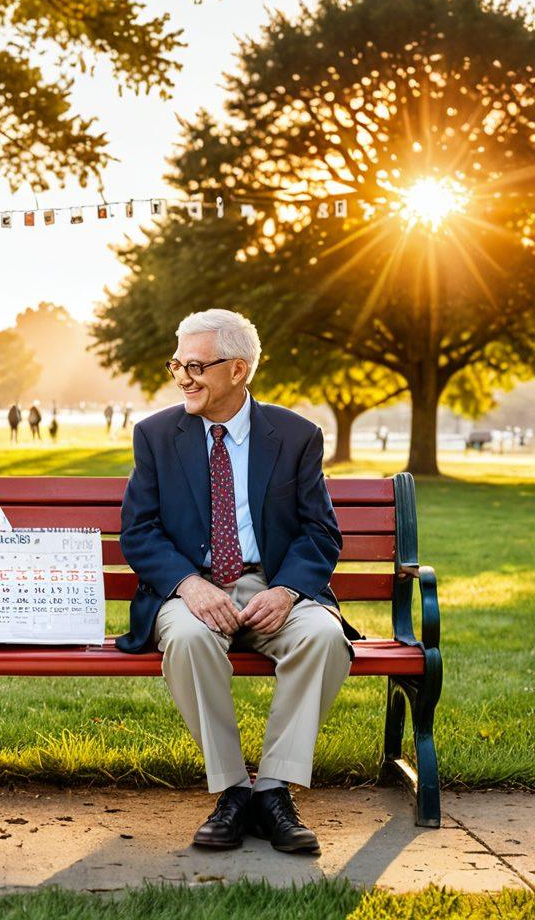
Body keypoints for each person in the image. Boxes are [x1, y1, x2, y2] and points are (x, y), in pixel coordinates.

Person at [117, 308, 359, 856]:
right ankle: (231, 792)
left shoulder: (295, 436)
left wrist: (287, 591)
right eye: (177, 364)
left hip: (272, 586)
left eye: (196, 366)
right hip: (191, 589)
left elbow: (320, 532)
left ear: (237, 370)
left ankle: (273, 791)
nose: (183, 378)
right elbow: (139, 530)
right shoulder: (156, 435)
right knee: (187, 637)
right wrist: (188, 584)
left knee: (324, 637)